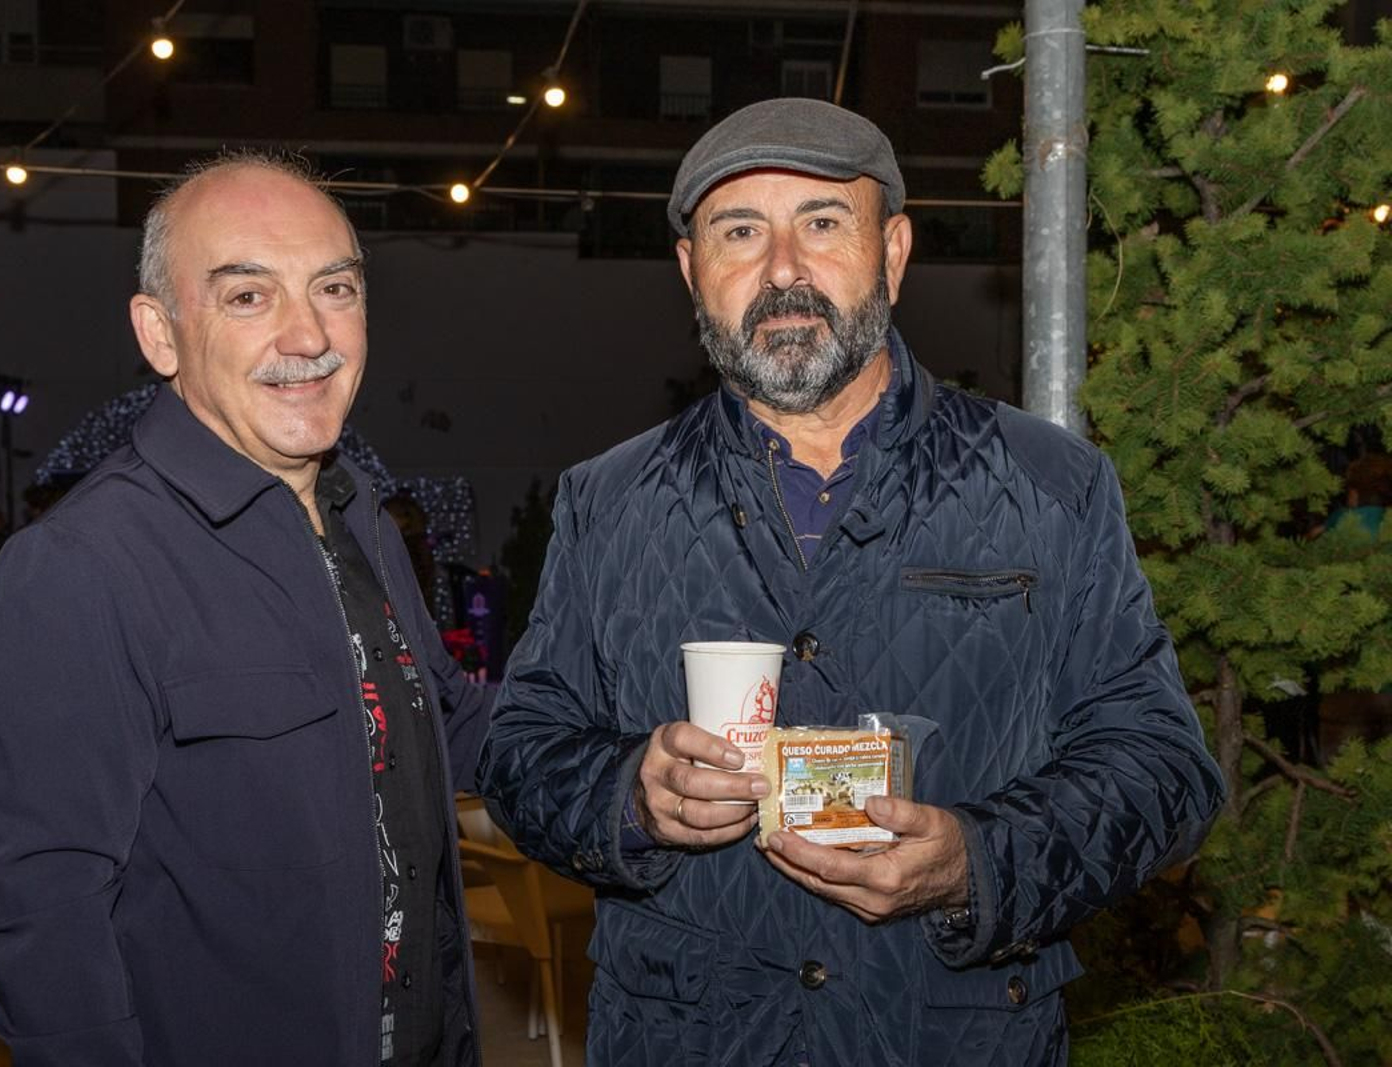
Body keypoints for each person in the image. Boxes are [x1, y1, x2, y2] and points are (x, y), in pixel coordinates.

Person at [478, 98, 1226, 1066]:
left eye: (823, 223)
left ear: (895, 250)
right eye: (739, 231)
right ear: (691, 270)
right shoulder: (609, 499)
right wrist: (630, 793)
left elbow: (1161, 767)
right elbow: (522, 751)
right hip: (691, 1034)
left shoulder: (1051, 482)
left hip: (951, 1034)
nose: (782, 268)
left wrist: (978, 858)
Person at [0, 152, 492, 1066]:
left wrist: (631, 755)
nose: (307, 335)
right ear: (161, 334)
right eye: (249, 297)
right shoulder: (81, 565)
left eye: (334, 287)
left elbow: (435, 716)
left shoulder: (358, 511)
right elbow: (44, 912)